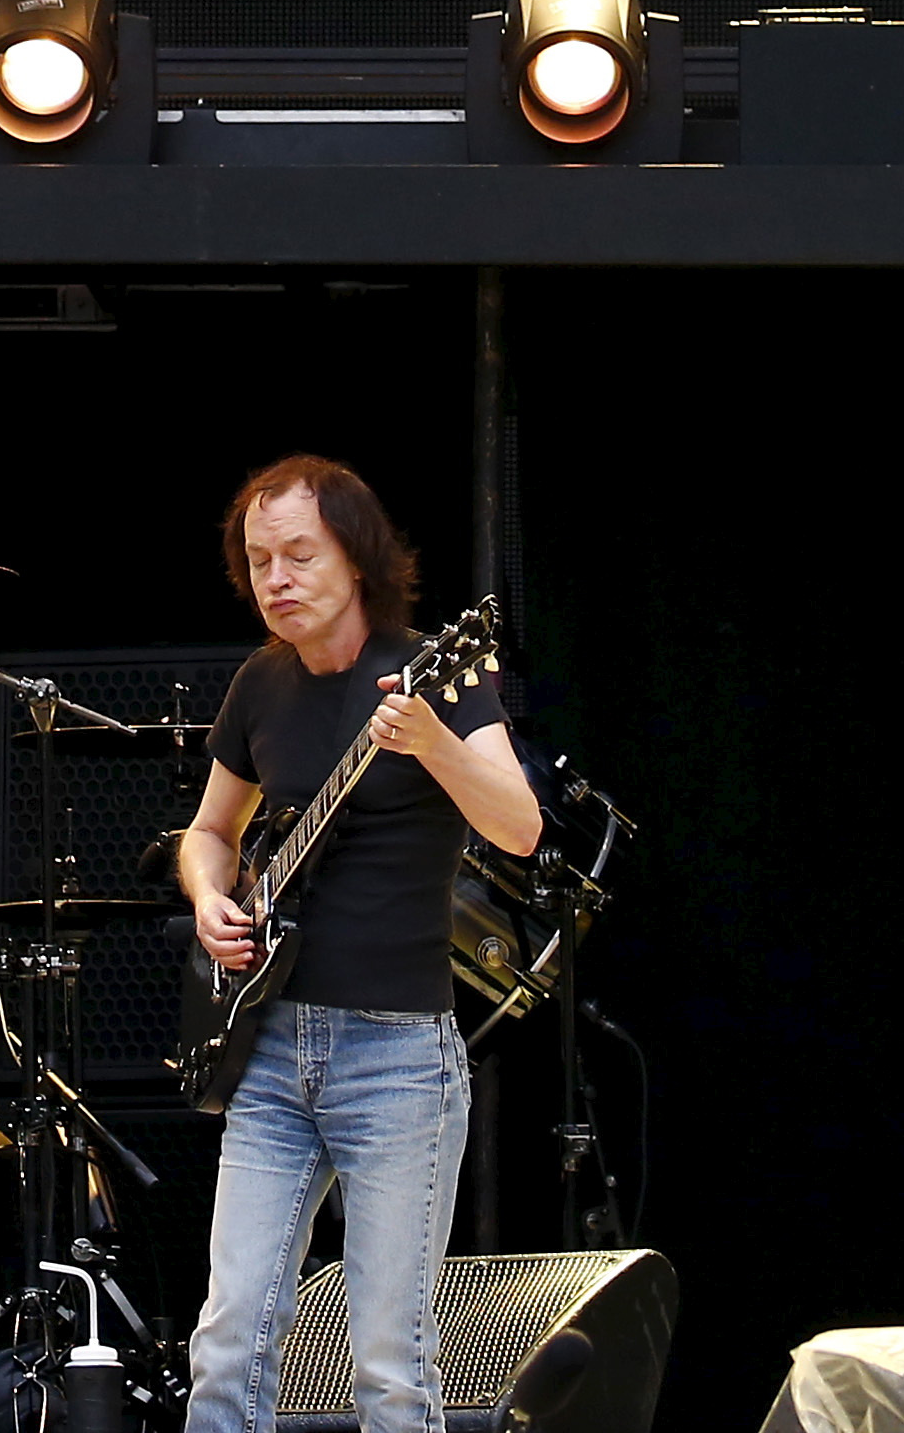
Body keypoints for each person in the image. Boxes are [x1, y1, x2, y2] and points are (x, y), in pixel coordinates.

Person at [176, 458, 543, 1433]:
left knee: (390, 1365)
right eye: (259, 560)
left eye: (300, 555)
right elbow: (209, 831)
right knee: (228, 1340)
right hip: (268, 1049)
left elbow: (519, 827)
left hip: (397, 1057)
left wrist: (432, 741)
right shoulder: (261, 683)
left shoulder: (435, 674)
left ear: (356, 558)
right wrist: (210, 894)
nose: (276, 578)